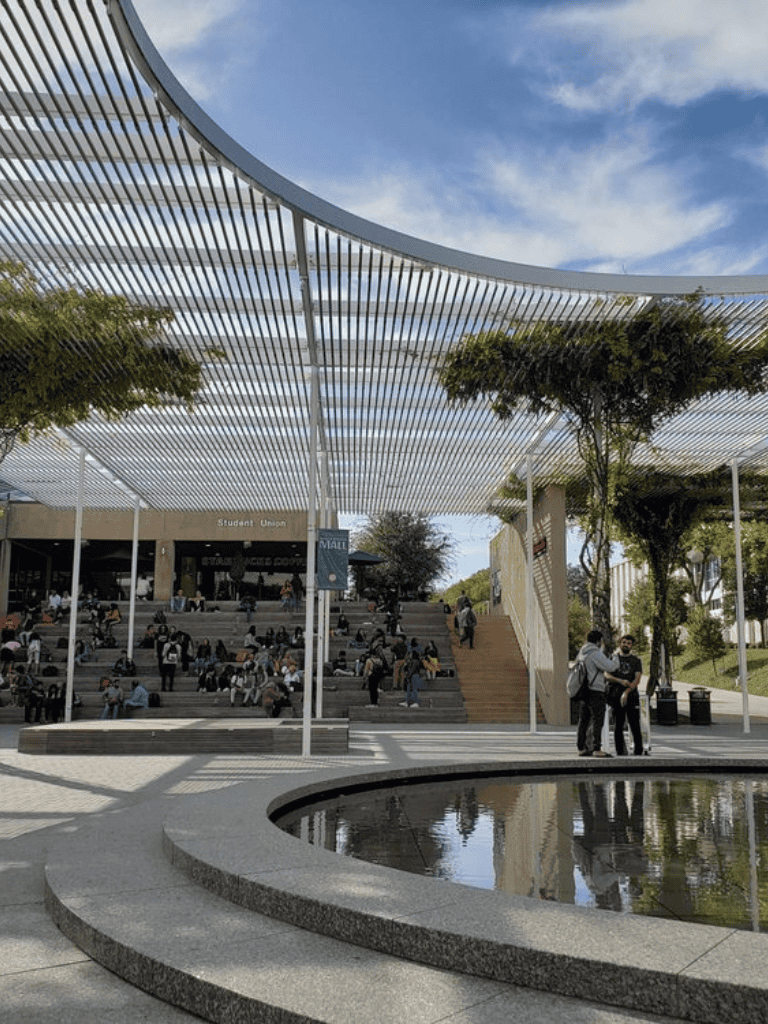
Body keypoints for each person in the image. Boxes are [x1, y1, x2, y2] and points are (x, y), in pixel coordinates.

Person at [575, 629, 621, 758]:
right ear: (598, 641)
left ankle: (581, 747)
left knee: (583, 720)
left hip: (584, 690)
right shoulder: (595, 653)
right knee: (597, 719)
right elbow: (610, 667)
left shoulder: (582, 652)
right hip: (595, 690)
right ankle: (596, 748)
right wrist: (616, 657)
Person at [604, 634, 645, 756]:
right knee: (618, 725)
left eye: (629, 643)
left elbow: (637, 680)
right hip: (615, 696)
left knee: (635, 724)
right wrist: (620, 681)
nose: (626, 645)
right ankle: (620, 751)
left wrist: (626, 692)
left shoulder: (636, 661)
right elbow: (606, 674)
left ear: (632, 646)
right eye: (624, 642)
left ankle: (638, 751)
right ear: (620, 643)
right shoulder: (613, 658)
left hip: (631, 697)